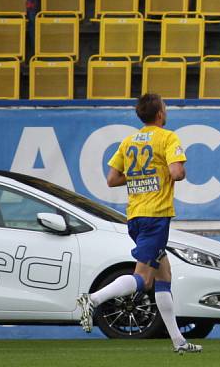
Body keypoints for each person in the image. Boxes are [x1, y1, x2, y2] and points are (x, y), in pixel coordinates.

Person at [76, 94, 202, 355]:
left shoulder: (129, 140)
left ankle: (179, 342)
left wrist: (141, 174)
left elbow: (112, 179)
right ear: (160, 114)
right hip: (156, 216)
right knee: (143, 279)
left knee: (163, 276)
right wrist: (168, 172)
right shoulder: (168, 137)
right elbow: (177, 172)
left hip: (135, 215)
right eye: (165, 108)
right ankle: (93, 299)